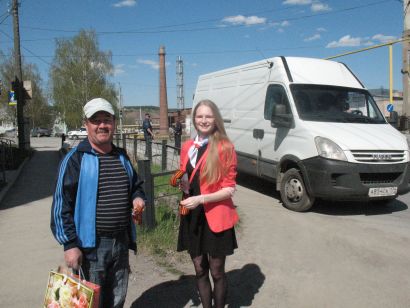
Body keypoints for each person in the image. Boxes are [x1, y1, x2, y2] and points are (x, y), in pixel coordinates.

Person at [50, 98, 146, 308]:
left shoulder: (121, 156)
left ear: (114, 123)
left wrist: (137, 198)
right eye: (96, 120)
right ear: (86, 124)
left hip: (120, 242)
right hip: (90, 247)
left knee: (117, 297)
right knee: (90, 301)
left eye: (107, 120)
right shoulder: (75, 159)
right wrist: (70, 245)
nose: (102, 125)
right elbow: (61, 207)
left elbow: (136, 185)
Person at [177, 99, 239, 308]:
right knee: (199, 269)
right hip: (192, 215)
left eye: (208, 116)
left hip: (216, 215)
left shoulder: (225, 146)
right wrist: (183, 185)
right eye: (200, 116)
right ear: (194, 119)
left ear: (216, 119)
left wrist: (201, 198)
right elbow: (187, 177)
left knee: (216, 271)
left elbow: (230, 188)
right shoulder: (187, 146)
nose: (203, 120)